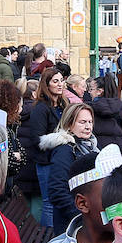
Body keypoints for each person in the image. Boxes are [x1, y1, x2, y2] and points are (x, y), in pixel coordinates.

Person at [40, 102, 100, 232]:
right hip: (71, 224)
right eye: (82, 122)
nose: (88, 126)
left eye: (90, 122)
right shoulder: (65, 150)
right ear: (69, 124)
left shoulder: (90, 146)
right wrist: (80, 216)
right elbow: (57, 190)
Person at [27, 67, 69, 227]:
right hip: (46, 162)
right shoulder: (40, 108)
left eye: (61, 80)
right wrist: (63, 138)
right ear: (47, 84)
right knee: (50, 203)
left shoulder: (64, 104)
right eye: (55, 81)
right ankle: (48, 239)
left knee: (62, 202)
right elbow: (38, 140)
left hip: (62, 160)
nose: (60, 84)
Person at [0, 79, 26, 196]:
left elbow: (22, 155)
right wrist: (15, 156)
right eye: (20, 106)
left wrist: (17, 156)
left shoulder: (7, 126)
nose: (21, 110)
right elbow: (4, 162)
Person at [89, 73, 122, 163]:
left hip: (98, 151)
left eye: (91, 89)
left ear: (99, 91)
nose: (89, 92)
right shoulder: (121, 106)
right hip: (120, 151)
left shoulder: (89, 108)